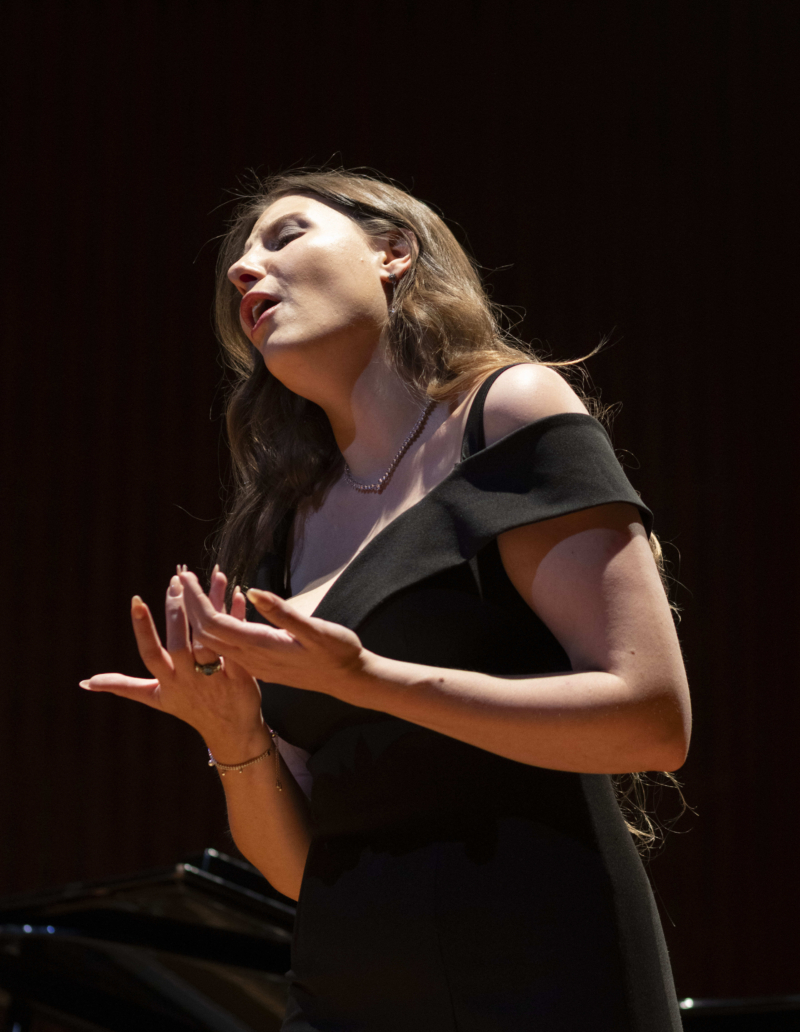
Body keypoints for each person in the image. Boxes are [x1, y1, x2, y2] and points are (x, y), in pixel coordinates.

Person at [81, 169, 691, 1031]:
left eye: (285, 235)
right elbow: (301, 870)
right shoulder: (280, 528)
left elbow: (652, 721)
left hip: (541, 964)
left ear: (393, 252)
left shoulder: (503, 414)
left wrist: (366, 679)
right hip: (347, 991)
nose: (243, 269)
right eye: (238, 261)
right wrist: (234, 735)